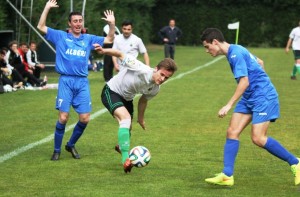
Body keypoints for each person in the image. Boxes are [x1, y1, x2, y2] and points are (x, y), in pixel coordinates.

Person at [200, 28, 300, 186]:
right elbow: (260, 62)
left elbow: (244, 81)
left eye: (207, 46)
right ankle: (227, 175)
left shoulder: (235, 53)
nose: (207, 50)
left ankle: (296, 162)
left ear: (215, 42)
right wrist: (261, 80)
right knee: (232, 132)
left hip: (263, 97)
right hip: (250, 97)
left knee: (258, 138)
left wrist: (229, 104)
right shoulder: (236, 50)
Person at [37, 0, 116, 161]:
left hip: (82, 83)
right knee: (63, 117)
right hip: (66, 81)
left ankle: (71, 144)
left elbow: (108, 39)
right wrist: (46, 8)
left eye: (80, 21)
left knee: (85, 118)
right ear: (69, 23)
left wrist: (112, 24)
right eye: (75, 21)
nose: (78, 24)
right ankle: (57, 150)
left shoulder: (88, 38)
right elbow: (41, 27)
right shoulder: (60, 36)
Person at [93, 43, 177, 173]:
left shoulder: (155, 88)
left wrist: (141, 119)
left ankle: (121, 147)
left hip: (127, 98)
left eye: (166, 77)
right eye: (161, 74)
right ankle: (125, 160)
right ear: (156, 69)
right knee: (125, 119)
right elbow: (120, 54)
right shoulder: (139, 67)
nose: (162, 79)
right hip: (111, 91)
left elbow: (143, 101)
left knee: (128, 127)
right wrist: (103, 51)